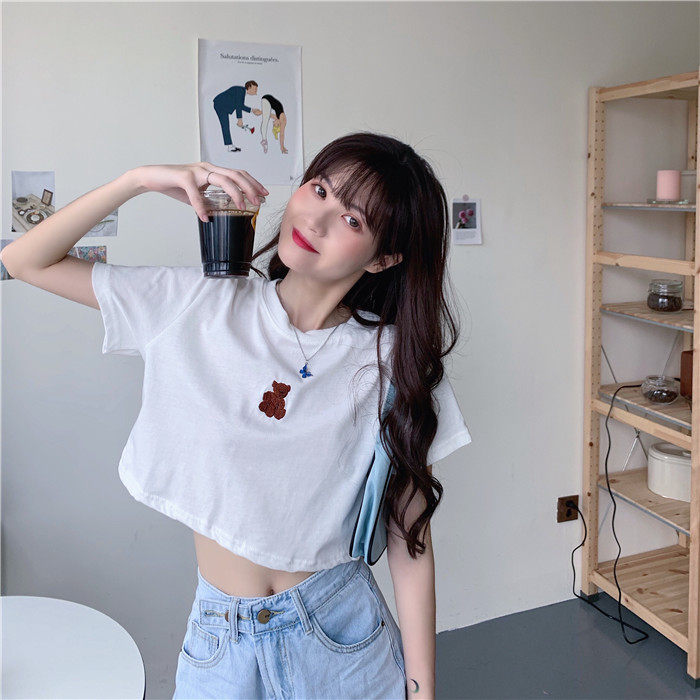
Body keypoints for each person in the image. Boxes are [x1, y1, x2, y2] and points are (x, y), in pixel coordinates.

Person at [0, 131, 472, 700]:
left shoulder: (392, 362)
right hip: (219, 639)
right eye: (319, 189)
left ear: (384, 258)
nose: (317, 219)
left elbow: (409, 537)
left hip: (341, 637)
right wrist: (138, 180)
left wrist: (422, 692)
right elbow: (23, 260)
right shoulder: (197, 303)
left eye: (353, 220)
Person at [213, 79, 263, 152]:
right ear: (249, 87)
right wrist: (240, 120)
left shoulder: (241, 91)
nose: (256, 91)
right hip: (220, 104)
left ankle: (230, 146)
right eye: (255, 89)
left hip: (222, 104)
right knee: (225, 125)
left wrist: (252, 110)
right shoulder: (240, 91)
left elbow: (240, 105)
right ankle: (230, 146)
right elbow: (238, 106)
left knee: (225, 125)